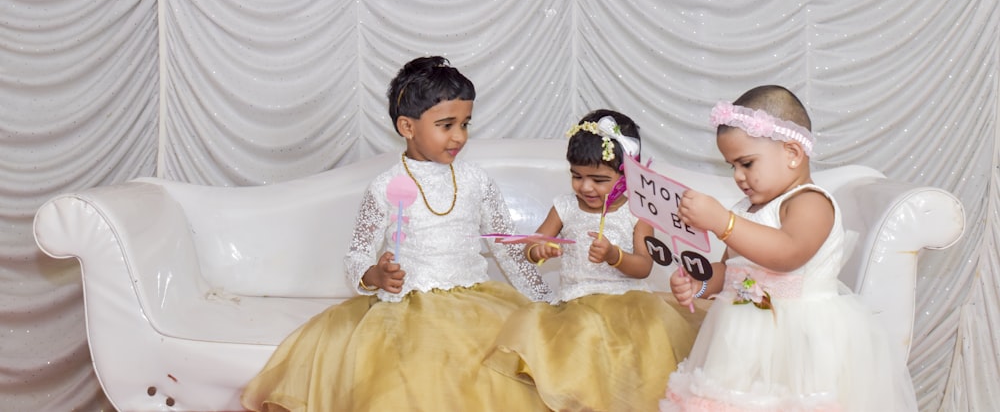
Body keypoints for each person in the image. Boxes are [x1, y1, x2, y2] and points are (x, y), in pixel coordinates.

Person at [241, 56, 552, 412]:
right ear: (407, 126)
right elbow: (357, 256)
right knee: (412, 376)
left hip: (474, 301)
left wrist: (548, 303)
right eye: (447, 125)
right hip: (407, 306)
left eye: (465, 124)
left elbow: (507, 247)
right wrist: (374, 274)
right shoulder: (385, 187)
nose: (459, 136)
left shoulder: (476, 181)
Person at [661, 85, 918, 411]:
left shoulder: (810, 202)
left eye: (747, 163)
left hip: (799, 342)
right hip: (739, 339)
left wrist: (722, 222)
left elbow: (787, 254)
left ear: (793, 154)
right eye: (732, 167)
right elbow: (731, 269)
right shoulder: (745, 209)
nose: (739, 176)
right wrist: (700, 282)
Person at [486, 109, 698, 412]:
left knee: (641, 347)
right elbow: (531, 248)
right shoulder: (565, 206)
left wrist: (615, 255)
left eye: (599, 180)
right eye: (577, 176)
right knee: (583, 337)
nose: (586, 187)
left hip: (629, 305)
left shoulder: (638, 213)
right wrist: (540, 250)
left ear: (627, 176)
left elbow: (644, 266)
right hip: (574, 306)